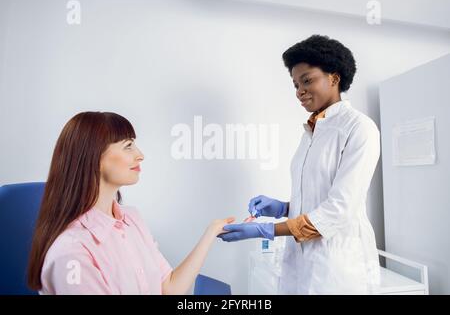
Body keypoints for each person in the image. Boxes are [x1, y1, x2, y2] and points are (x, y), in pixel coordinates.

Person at [219, 35, 381, 294]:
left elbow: (339, 210)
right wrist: (284, 207)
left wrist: (266, 230)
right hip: (301, 264)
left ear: (334, 78)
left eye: (307, 80)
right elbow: (317, 197)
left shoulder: (359, 128)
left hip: (337, 267)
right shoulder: (311, 132)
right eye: (295, 84)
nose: (299, 91)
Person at [28, 111, 233, 294]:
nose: (140, 155)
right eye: (128, 146)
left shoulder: (131, 219)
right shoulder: (71, 252)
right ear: (94, 157)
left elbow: (169, 288)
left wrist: (211, 232)